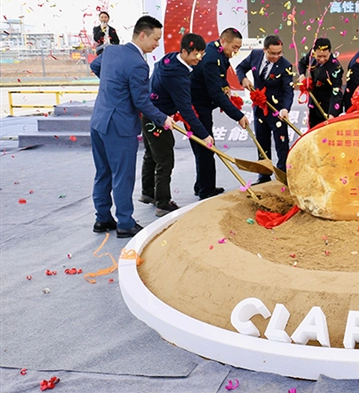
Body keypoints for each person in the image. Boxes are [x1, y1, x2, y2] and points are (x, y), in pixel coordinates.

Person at [89, 16, 173, 239]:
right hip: (120, 126)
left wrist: (112, 86)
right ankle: (125, 222)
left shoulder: (112, 51)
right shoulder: (138, 64)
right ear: (142, 35)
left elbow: (94, 65)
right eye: (155, 38)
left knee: (103, 171)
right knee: (122, 175)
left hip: (99, 121)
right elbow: (142, 102)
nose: (157, 43)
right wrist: (163, 119)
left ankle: (103, 218)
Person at [140, 33, 213, 217]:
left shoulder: (170, 59)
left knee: (151, 155)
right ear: (184, 52)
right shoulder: (178, 76)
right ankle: (163, 203)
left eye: (202, 54)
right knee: (165, 160)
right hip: (158, 119)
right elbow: (187, 110)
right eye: (196, 54)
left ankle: (148, 192)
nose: (199, 58)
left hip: (147, 114)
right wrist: (204, 135)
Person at [191, 28, 249, 199]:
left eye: (239, 48)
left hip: (204, 104)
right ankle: (206, 190)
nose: (236, 51)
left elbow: (221, 77)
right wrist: (238, 115)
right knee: (206, 146)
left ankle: (201, 184)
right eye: (234, 47)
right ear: (223, 41)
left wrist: (226, 88)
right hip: (198, 106)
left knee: (204, 145)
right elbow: (215, 93)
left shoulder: (218, 52)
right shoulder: (211, 58)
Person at [236, 35, 294, 183]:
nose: (276, 57)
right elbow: (240, 67)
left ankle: (283, 175)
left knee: (282, 144)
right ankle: (264, 175)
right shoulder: (255, 55)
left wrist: (285, 109)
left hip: (277, 111)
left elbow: (288, 91)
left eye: (279, 53)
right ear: (264, 50)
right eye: (272, 53)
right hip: (259, 109)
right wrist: (243, 79)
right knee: (262, 142)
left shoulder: (285, 66)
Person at [297, 37, 344, 128]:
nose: (322, 59)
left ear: (330, 52)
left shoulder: (336, 68)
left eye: (325, 56)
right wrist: (302, 75)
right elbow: (302, 63)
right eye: (319, 56)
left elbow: (336, 92)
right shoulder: (311, 54)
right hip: (314, 102)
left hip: (328, 105)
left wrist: (332, 115)